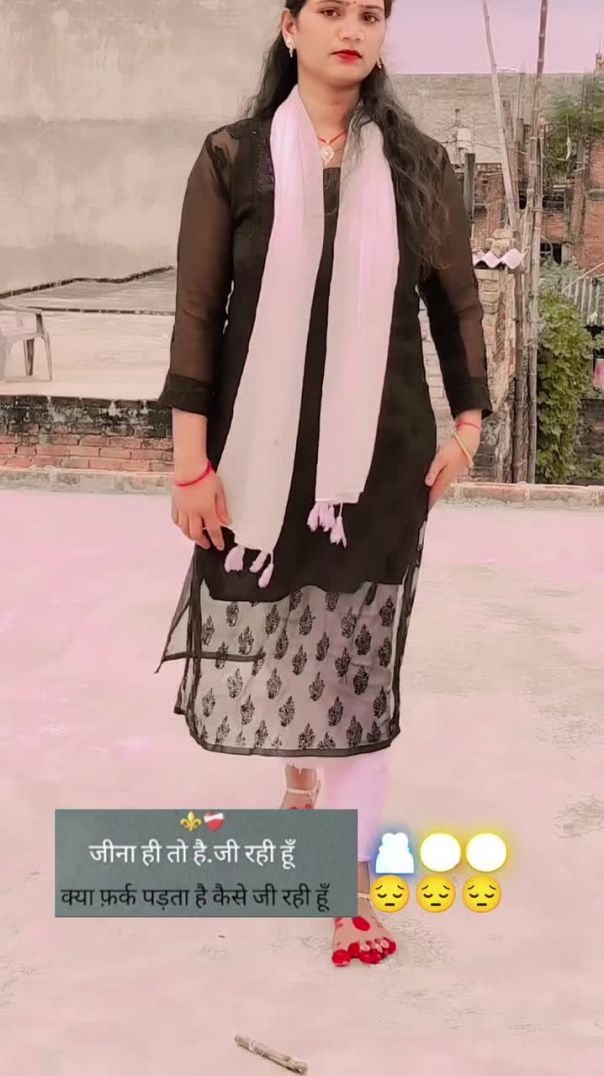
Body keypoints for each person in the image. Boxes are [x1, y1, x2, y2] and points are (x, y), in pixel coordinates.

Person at [155, 0, 493, 968]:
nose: (352, 29)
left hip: (377, 461)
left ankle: (346, 885)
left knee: (358, 662)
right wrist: (190, 464)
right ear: (290, 26)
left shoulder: (419, 165)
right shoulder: (233, 160)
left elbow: (455, 301)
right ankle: (299, 768)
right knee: (286, 630)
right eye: (331, 10)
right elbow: (197, 315)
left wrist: (469, 425)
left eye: (370, 14)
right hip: (260, 461)